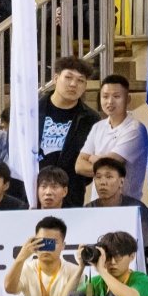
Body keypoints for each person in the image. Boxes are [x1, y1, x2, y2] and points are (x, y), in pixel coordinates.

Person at [38, 58, 100, 207]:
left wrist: (74, 181)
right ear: (55, 78)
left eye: (80, 80)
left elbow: (90, 160)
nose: (73, 84)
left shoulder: (91, 119)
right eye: (68, 77)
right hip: (31, 194)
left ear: (85, 86)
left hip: (71, 196)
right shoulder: (32, 111)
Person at [76, 75, 147, 201]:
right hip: (97, 204)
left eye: (116, 96)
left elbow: (110, 166)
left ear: (128, 99)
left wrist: (92, 158)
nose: (110, 101)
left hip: (126, 205)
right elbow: (79, 166)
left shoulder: (135, 129)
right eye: (105, 96)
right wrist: (102, 164)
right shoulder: (98, 127)